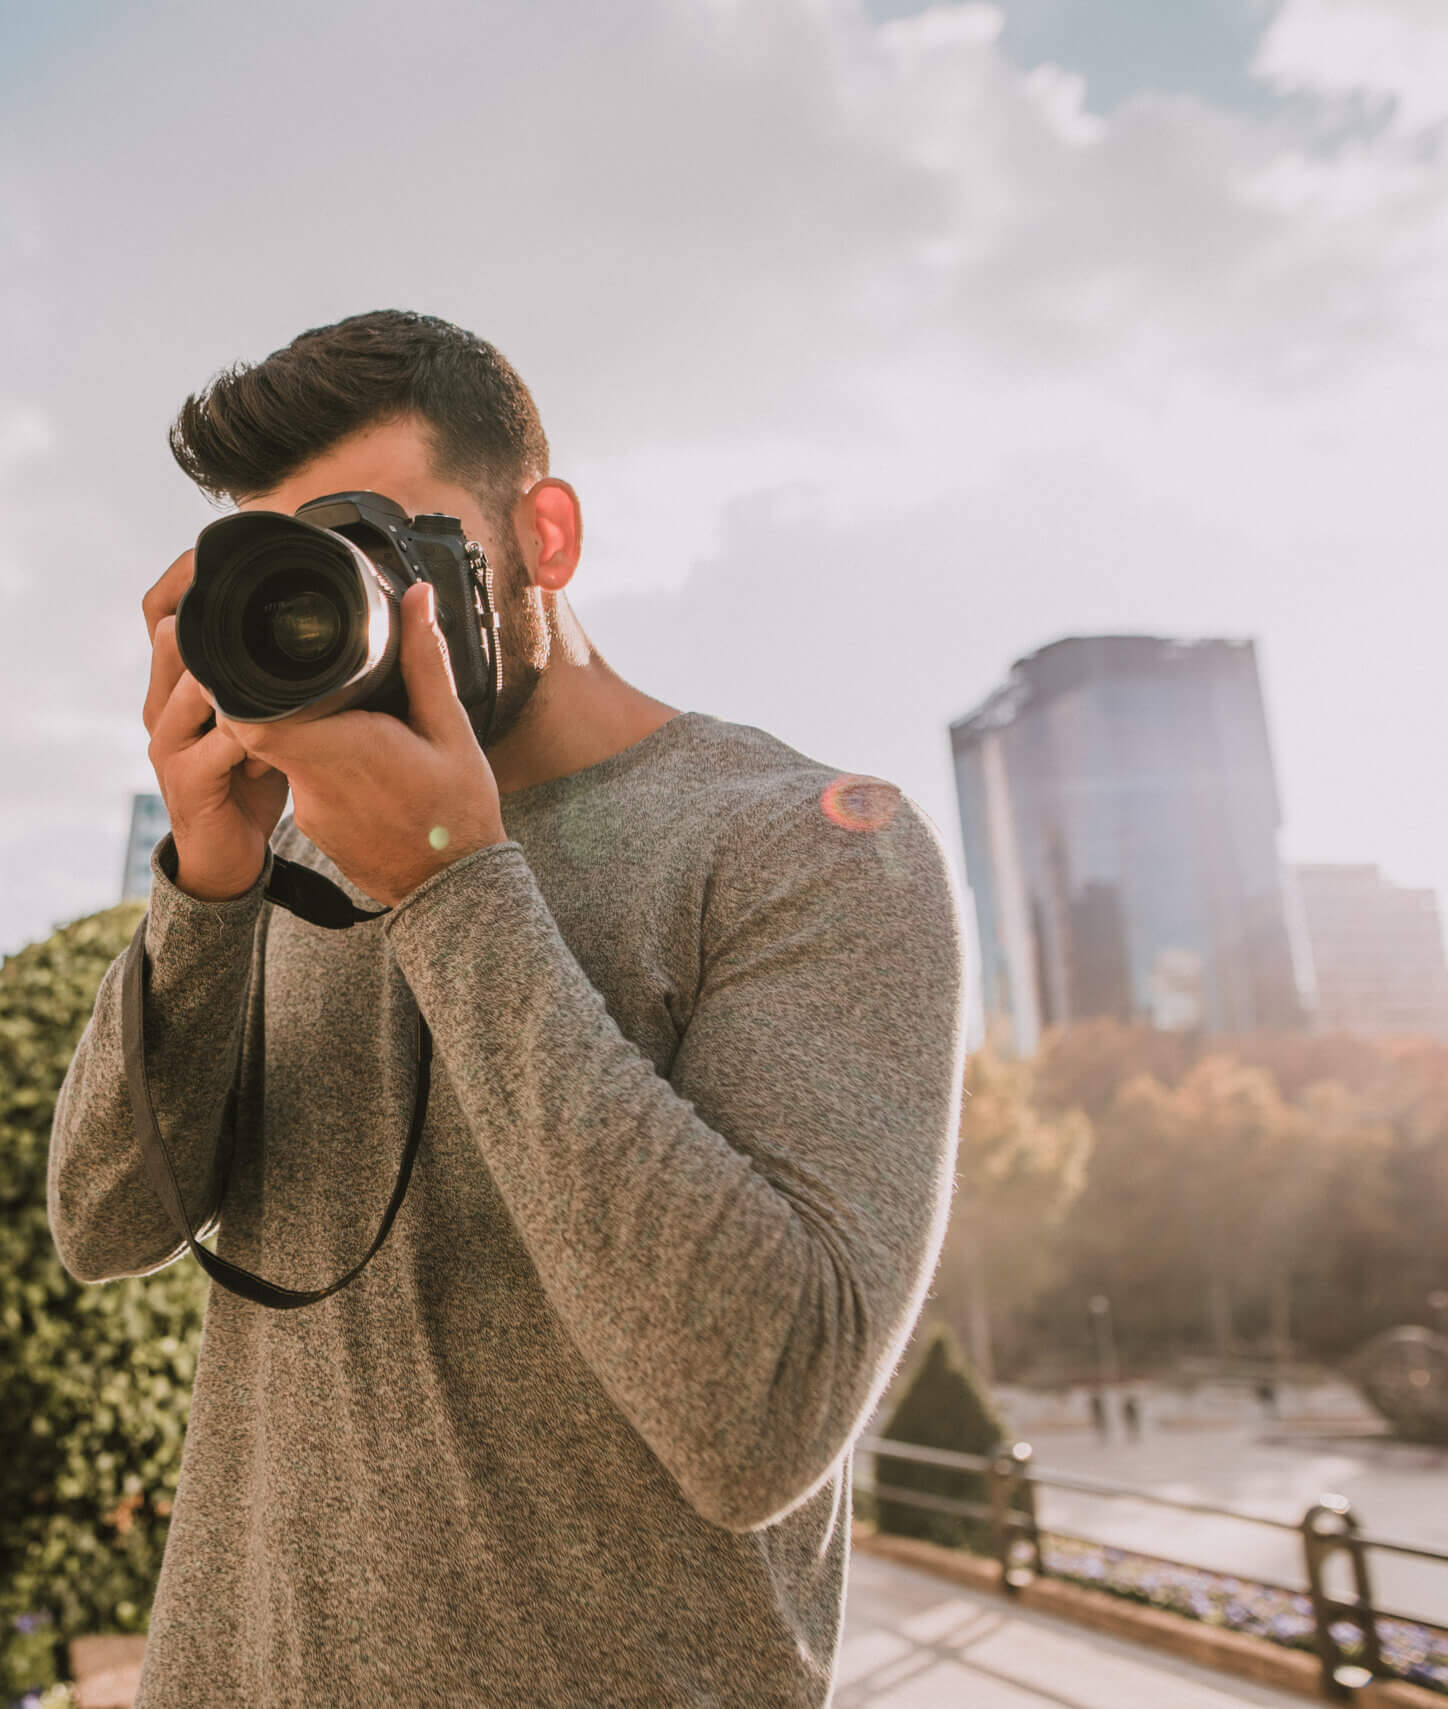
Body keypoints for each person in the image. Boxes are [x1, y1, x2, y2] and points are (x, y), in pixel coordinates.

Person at [48, 311, 964, 1706]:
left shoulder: (813, 846)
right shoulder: (291, 855)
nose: (344, 608)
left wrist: (454, 881)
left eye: (386, 550)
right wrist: (209, 882)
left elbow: (762, 1416)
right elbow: (105, 1220)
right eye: (303, 566)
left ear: (545, 535)